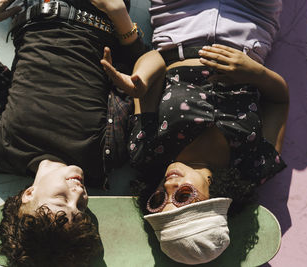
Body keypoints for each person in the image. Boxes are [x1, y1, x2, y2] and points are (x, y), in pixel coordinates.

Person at [0, 0, 151, 265]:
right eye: (81, 209)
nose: (79, 194)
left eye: (62, 199)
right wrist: (119, 16)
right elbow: (129, 80)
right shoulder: (104, 156)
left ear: (28, 195)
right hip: (102, 13)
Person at [100, 0, 289, 264]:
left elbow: (157, 57)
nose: (168, 185)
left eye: (158, 199)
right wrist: (255, 73)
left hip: (176, 17)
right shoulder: (253, 165)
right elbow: (280, 99)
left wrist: (139, 81)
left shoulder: (148, 150)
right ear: (216, 199)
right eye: (183, 196)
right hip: (252, 20)